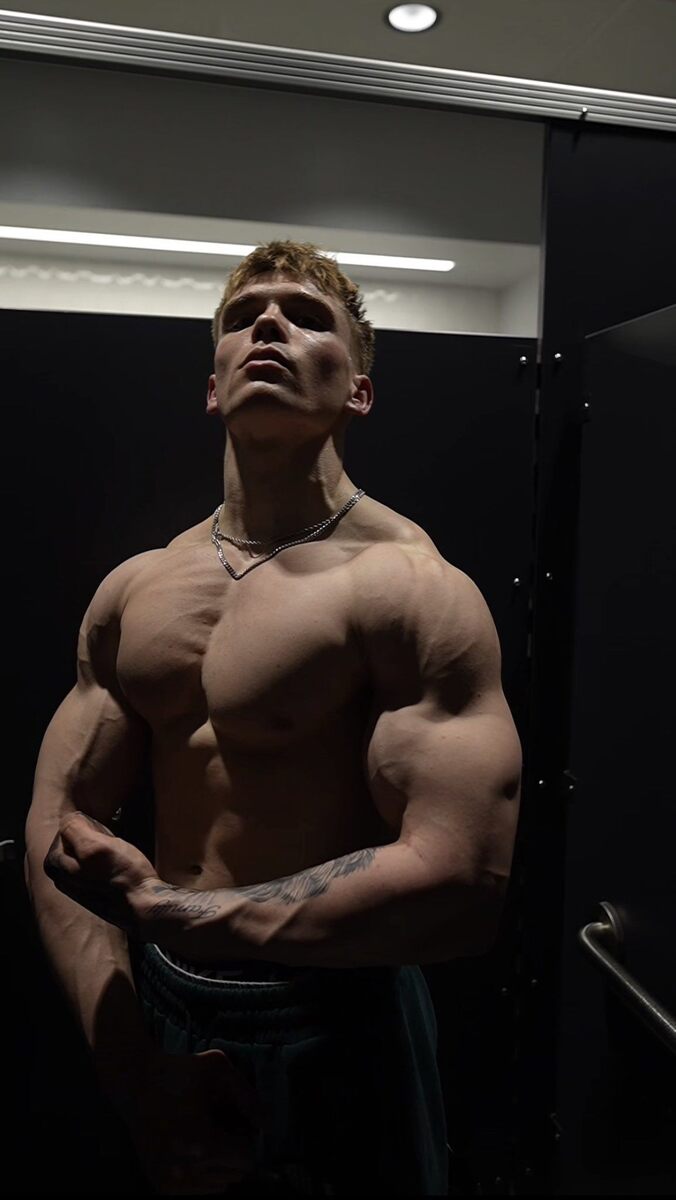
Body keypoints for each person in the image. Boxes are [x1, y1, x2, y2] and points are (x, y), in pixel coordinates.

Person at [26, 240, 522, 1196]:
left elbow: (464, 881)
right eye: (243, 316)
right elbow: (55, 828)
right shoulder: (136, 590)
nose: (268, 324)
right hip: (158, 1003)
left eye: (305, 315)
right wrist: (134, 1074)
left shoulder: (412, 588)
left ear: (358, 392)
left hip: (339, 1013)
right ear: (212, 387)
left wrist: (175, 912)